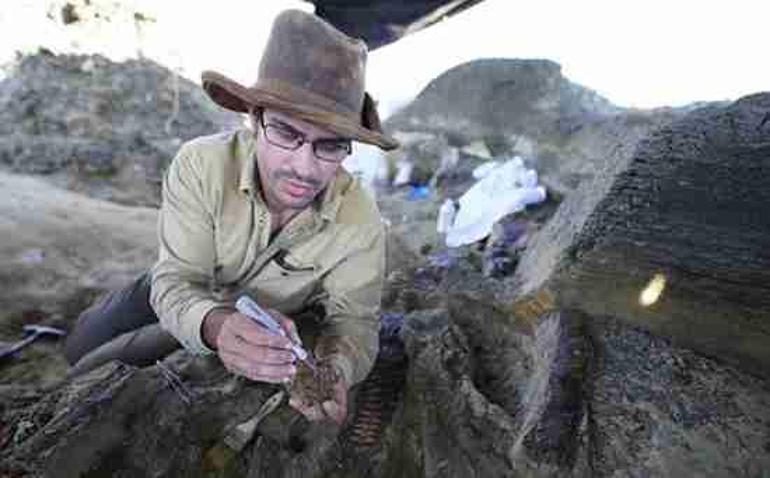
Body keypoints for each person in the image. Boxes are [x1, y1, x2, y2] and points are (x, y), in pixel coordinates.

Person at [64, 9, 398, 425]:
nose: (304, 167)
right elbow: (175, 281)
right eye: (286, 133)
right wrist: (217, 325)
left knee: (91, 375)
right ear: (254, 120)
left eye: (329, 147)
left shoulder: (360, 218)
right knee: (79, 345)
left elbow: (355, 321)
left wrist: (334, 370)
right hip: (183, 285)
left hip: (263, 324)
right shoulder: (201, 165)